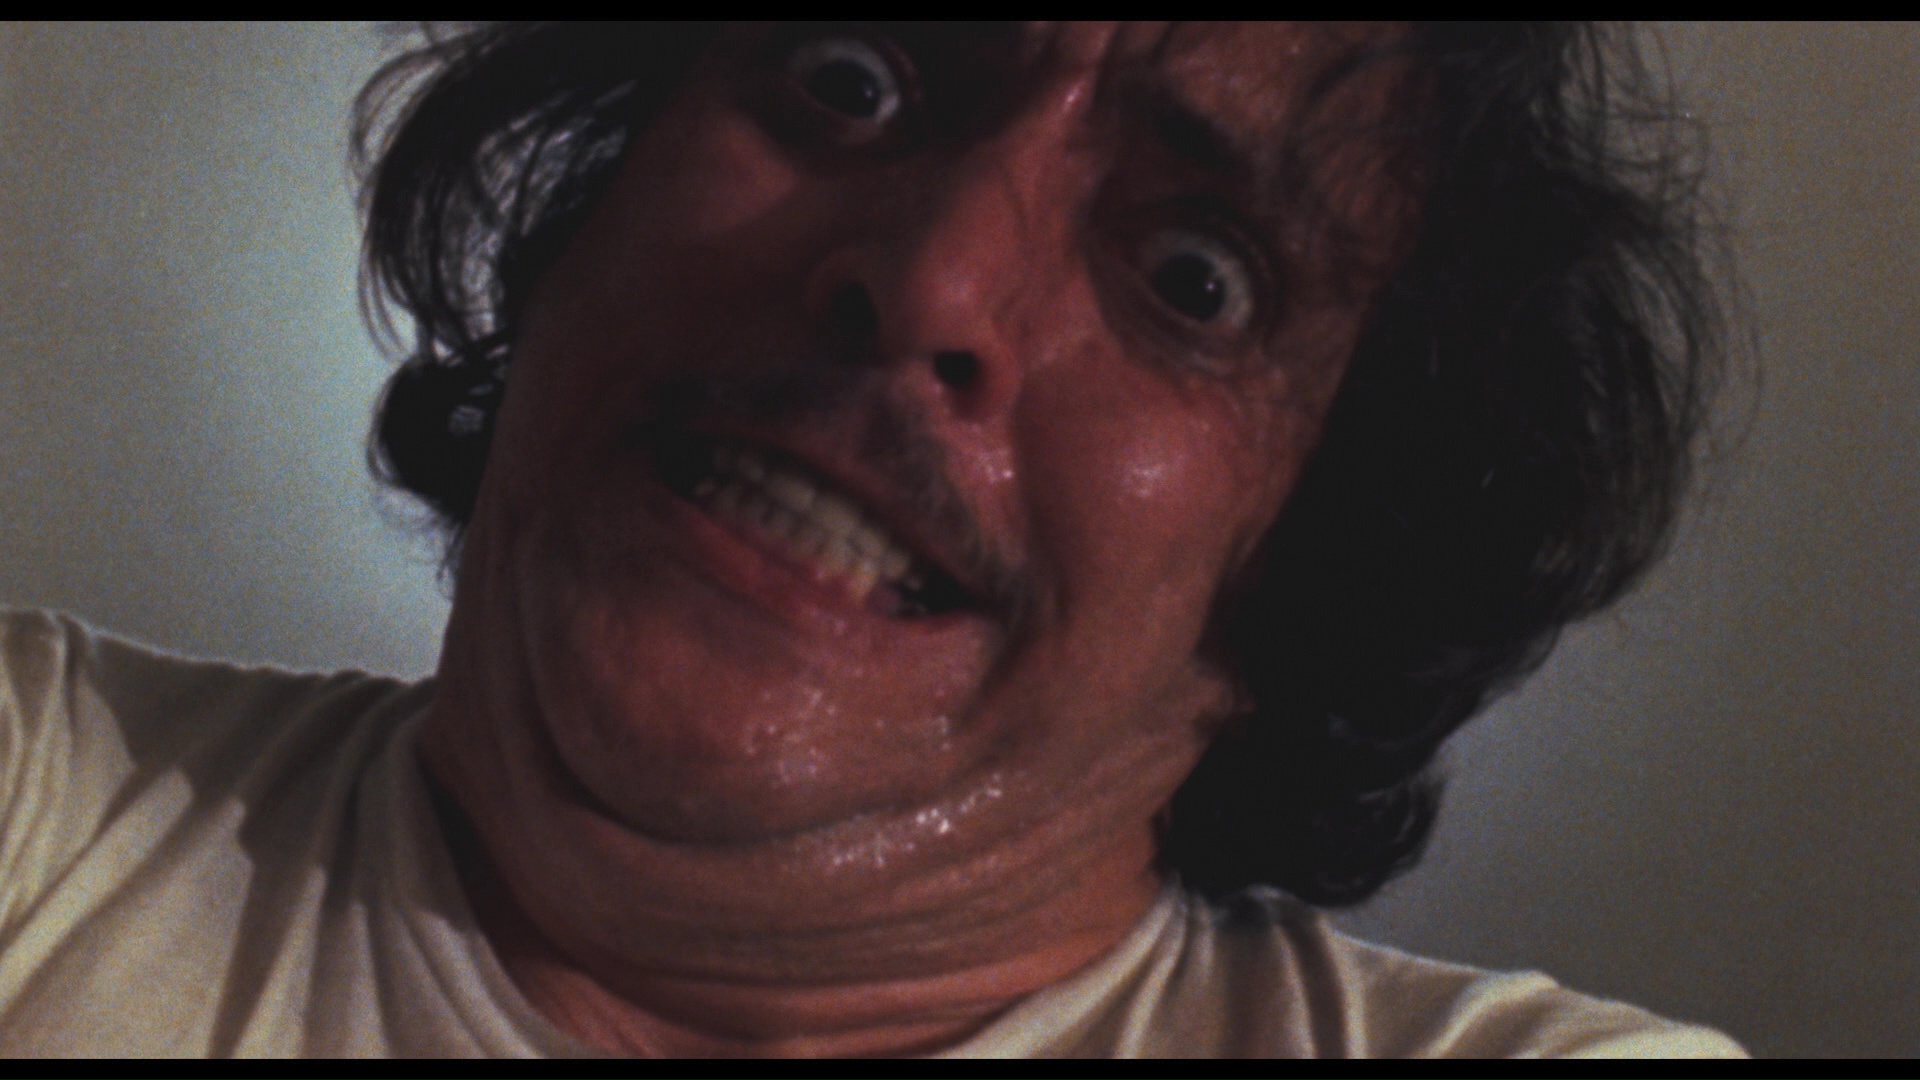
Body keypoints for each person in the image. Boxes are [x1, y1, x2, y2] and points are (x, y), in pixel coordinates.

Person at [0, 22, 1742, 1056]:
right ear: (596, 189)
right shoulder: (46, 808)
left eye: (1195, 277)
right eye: (853, 75)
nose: (929, 280)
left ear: (1319, 562)